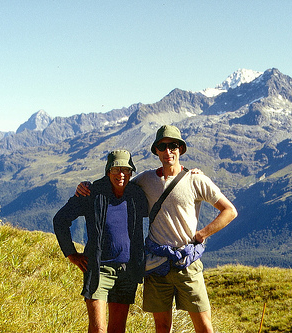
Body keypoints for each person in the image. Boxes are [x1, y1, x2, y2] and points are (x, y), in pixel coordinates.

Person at [76, 125, 238, 333]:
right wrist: (87, 186)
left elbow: (229, 211)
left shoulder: (196, 179)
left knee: (204, 327)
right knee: (162, 327)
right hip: (156, 265)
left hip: (186, 263)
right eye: (163, 146)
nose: (168, 151)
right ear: (157, 151)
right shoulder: (145, 179)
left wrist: (201, 235)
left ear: (181, 149)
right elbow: (117, 184)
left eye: (173, 146)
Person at [53, 149, 148, 333]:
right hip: (98, 270)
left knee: (118, 329)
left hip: (127, 271)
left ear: (131, 172)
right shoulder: (92, 192)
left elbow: (162, 193)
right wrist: (71, 254)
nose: (121, 174)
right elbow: (60, 219)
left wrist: (190, 175)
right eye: (116, 170)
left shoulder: (136, 195)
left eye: (126, 170)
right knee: (98, 329)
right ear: (108, 171)